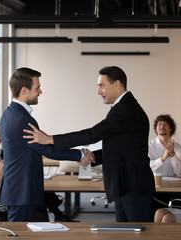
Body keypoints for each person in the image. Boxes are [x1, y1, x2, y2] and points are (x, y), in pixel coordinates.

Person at [23, 66, 155, 222]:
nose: (99, 92)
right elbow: (120, 147)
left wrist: (50, 139)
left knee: (141, 234)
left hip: (133, 186)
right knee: (124, 234)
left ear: (117, 84)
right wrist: (92, 156)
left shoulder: (125, 109)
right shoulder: (123, 107)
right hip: (125, 184)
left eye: (102, 86)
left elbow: (92, 134)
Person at [0, 67, 93, 222]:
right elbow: (46, 149)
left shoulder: (10, 114)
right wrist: (80, 154)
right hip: (22, 191)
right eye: (37, 88)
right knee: (20, 235)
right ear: (24, 90)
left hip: (18, 189)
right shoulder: (22, 119)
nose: (40, 92)